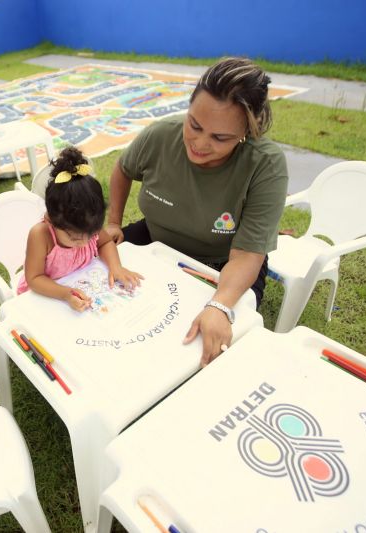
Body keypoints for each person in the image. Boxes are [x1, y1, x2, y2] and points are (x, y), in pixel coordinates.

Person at [104, 57, 288, 366]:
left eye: (220, 137)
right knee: (100, 280)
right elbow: (123, 169)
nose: (200, 144)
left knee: (200, 346)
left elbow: (246, 256)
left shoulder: (266, 165)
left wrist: (220, 306)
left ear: (247, 131)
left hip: (223, 263)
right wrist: (113, 222)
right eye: (195, 125)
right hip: (157, 239)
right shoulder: (161, 134)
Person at [20, 146, 143, 311]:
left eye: (91, 235)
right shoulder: (41, 236)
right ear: (51, 220)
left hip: (80, 281)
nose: (85, 242)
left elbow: (105, 243)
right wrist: (65, 294)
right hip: (48, 293)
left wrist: (116, 267)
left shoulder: (87, 223)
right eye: (75, 238)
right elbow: (34, 278)